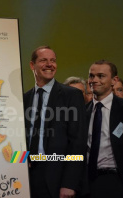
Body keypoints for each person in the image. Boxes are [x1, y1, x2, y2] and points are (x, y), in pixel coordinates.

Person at [24, 46, 87, 198]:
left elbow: (78, 142)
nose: (49, 64)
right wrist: (21, 161)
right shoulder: (25, 99)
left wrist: (69, 183)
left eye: (53, 61)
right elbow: (22, 139)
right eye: (43, 60)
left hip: (57, 178)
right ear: (32, 65)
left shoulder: (71, 95)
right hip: (27, 177)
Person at [86, 60, 123, 198]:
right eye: (91, 76)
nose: (94, 80)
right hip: (88, 182)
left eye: (101, 76)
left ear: (114, 80)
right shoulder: (82, 112)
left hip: (119, 181)